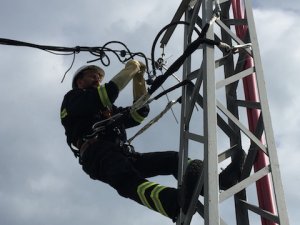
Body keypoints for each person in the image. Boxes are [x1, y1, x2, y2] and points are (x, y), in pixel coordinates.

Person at [60, 60, 243, 222]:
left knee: (172, 160)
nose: (97, 80)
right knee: (126, 180)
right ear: (79, 81)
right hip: (96, 153)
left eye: (99, 77)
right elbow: (106, 94)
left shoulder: (108, 109)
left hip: (122, 152)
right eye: (93, 76)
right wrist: (131, 68)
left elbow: (138, 114)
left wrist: (138, 79)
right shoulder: (73, 99)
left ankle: (218, 181)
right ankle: (173, 202)